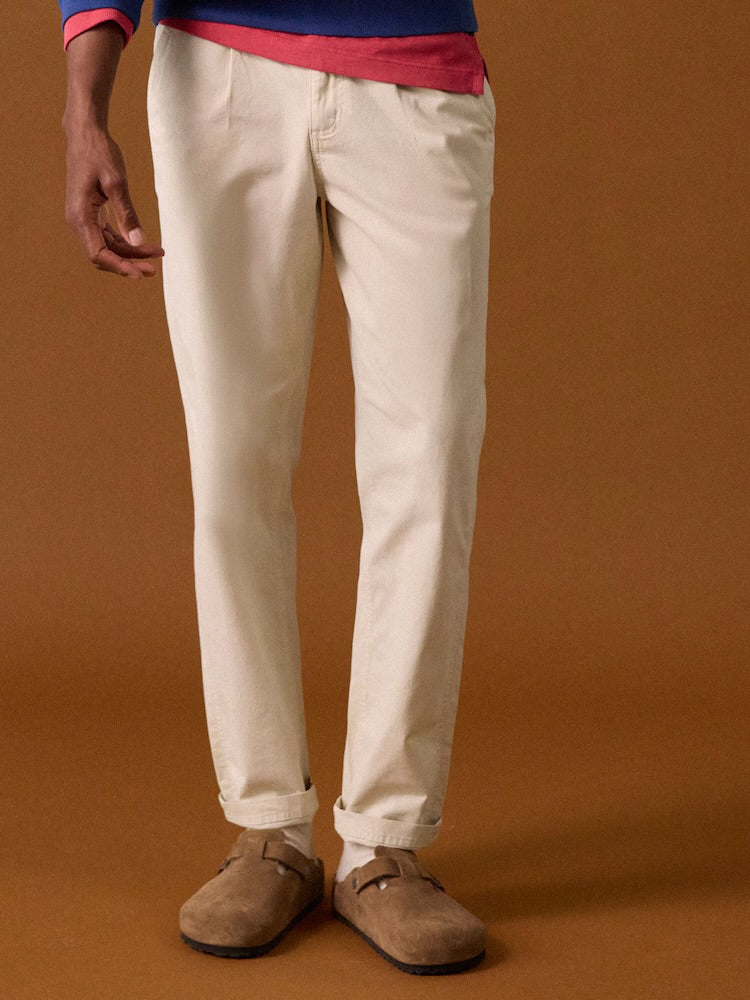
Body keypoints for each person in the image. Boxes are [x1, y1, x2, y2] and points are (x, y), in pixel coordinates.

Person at [60, 0, 495, 976]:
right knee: (232, 461)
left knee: (430, 458)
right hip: (219, 73)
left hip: (415, 68)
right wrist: (84, 105)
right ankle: (270, 830)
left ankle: (384, 843)